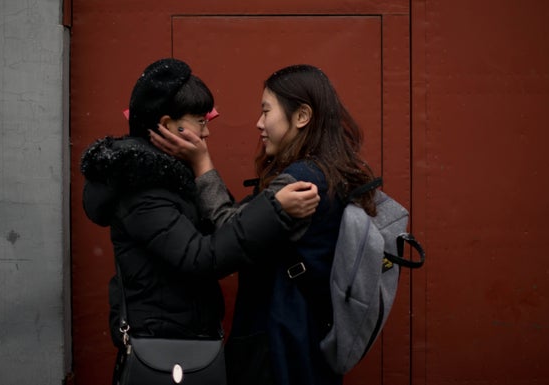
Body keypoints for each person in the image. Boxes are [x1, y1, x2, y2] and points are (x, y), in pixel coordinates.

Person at [79, 58, 320, 384]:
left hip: (180, 341)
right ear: (167, 125)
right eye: (199, 121)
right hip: (165, 350)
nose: (206, 131)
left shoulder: (169, 178)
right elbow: (202, 257)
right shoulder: (143, 189)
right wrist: (274, 208)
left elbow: (221, 233)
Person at [151, 64, 378, 385]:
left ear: (301, 117)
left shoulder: (302, 181)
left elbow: (231, 231)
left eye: (266, 111)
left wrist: (202, 164)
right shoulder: (327, 172)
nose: (259, 123)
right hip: (304, 343)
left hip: (280, 350)